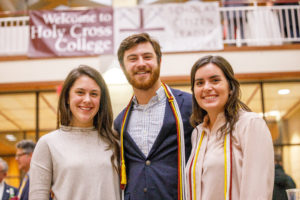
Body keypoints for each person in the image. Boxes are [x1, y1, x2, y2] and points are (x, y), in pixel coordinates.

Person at [114, 33, 193, 200]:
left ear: (159, 61)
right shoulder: (120, 122)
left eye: (147, 57)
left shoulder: (189, 105)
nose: (141, 64)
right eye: (133, 58)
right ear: (123, 67)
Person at [185, 55, 274, 200]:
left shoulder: (250, 124)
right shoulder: (198, 133)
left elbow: (257, 193)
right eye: (200, 83)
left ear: (230, 87)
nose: (207, 88)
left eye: (215, 80)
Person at [29, 65, 120, 200]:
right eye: (80, 92)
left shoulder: (114, 141)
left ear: (101, 101)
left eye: (94, 94)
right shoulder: (48, 143)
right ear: (67, 97)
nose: (87, 100)